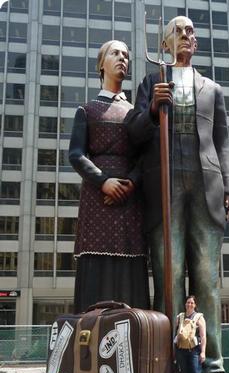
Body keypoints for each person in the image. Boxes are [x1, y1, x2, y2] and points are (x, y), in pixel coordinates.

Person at [126, 16, 229, 373]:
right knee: (168, 279)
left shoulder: (213, 88)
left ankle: (212, 368)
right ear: (165, 43)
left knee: (206, 279)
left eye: (191, 31)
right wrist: (152, 110)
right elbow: (135, 134)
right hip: (164, 186)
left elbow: (222, 141)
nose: (189, 36)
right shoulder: (151, 82)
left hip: (205, 185)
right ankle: (168, 366)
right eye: (180, 31)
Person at [69, 40, 150, 313]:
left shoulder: (135, 113)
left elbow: (144, 156)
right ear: (101, 64)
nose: (122, 59)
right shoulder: (86, 110)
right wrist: (103, 181)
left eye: (126, 55)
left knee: (132, 264)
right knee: (95, 265)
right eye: (115, 53)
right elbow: (76, 155)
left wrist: (131, 183)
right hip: (96, 199)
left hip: (131, 199)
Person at [175, 295, 206, 373]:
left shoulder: (199, 317)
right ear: (185, 304)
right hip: (182, 350)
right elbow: (176, 333)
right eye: (188, 302)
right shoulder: (180, 317)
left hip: (194, 350)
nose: (190, 305)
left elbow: (203, 336)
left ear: (195, 305)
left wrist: (203, 352)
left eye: (192, 303)